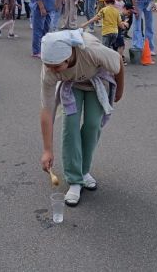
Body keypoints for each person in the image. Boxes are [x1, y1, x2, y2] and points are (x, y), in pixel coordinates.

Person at [39, 29, 125, 206]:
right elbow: (47, 111)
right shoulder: (49, 69)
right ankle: (75, 180)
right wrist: (47, 150)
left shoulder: (91, 51)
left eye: (56, 66)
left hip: (96, 82)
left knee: (93, 125)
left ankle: (84, 171)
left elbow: (118, 63)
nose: (52, 70)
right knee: (70, 125)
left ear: (69, 56)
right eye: (48, 65)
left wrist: (120, 92)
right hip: (72, 85)